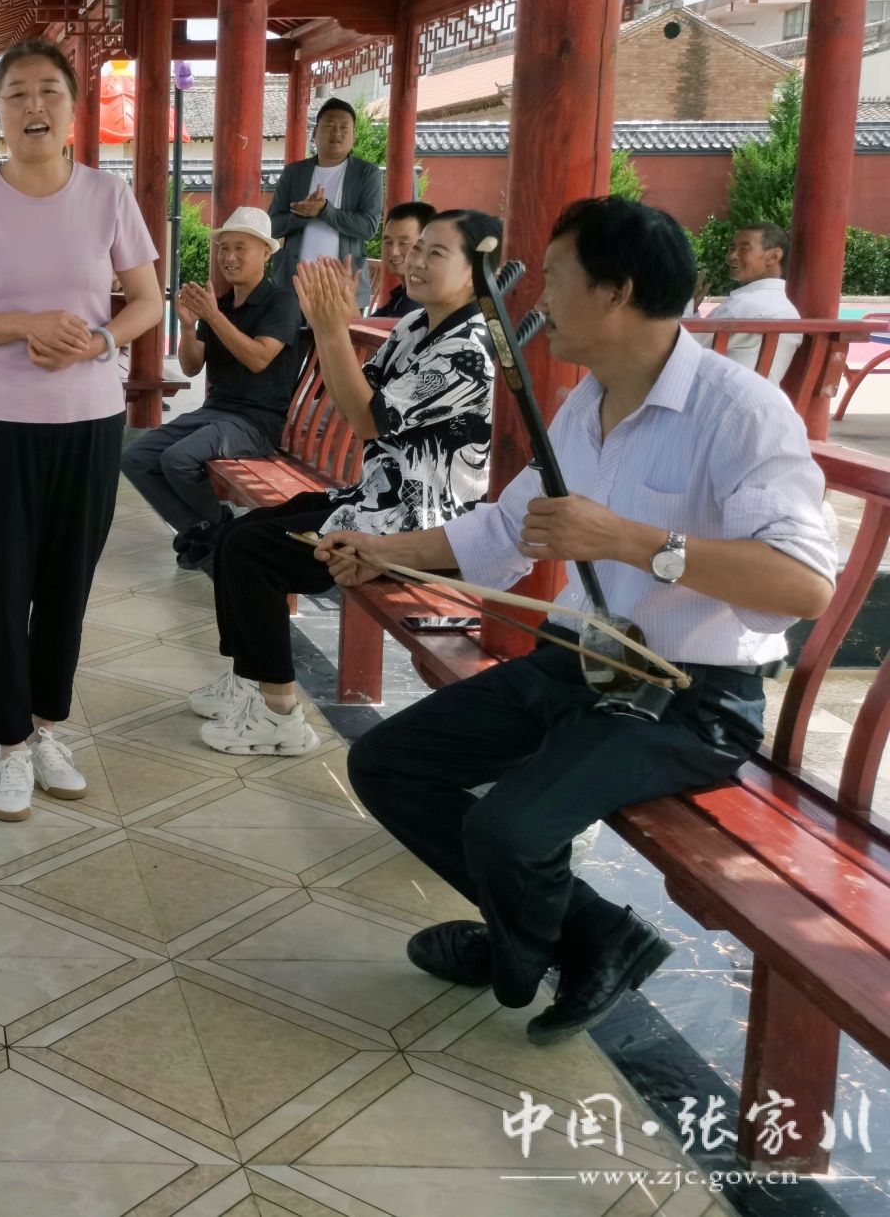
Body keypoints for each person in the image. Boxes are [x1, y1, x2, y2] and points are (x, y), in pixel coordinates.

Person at [319, 197, 836, 1044]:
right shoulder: (581, 402)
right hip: (576, 662)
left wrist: (630, 541)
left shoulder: (739, 410)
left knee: (509, 828)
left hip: (685, 698)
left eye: (555, 277)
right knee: (387, 764)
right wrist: (385, 551)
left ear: (615, 291)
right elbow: (504, 529)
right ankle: (583, 934)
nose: (540, 299)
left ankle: (525, 946)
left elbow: (805, 584)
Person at [0, 40, 163, 824]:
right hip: (0, 425)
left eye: (49, 91)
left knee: (67, 587)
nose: (34, 106)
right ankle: (9, 746)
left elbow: (147, 302)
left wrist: (98, 341)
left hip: (90, 421)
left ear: (72, 108)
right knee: (1, 589)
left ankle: (47, 729)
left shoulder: (108, 196)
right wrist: (25, 324)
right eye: (17, 93)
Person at [190, 208, 500, 758]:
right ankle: (249, 679)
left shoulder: (470, 350)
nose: (415, 261)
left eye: (434, 253)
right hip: (375, 499)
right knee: (239, 532)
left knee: (252, 552)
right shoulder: (415, 326)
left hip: (419, 524)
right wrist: (330, 327)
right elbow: (353, 393)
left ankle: (279, 714)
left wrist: (332, 329)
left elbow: (367, 420)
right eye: (416, 248)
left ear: (478, 272)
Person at [121, 206, 302, 552]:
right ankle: (213, 528)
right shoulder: (219, 305)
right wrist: (188, 327)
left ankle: (212, 532)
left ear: (265, 253)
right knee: (135, 457)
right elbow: (191, 367)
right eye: (224, 248)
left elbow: (259, 359)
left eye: (240, 248)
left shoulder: (281, 302)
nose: (229, 257)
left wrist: (214, 318)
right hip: (214, 412)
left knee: (177, 459)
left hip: (255, 422)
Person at [267, 97, 384, 295]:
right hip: (294, 284)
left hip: (343, 287)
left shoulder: (367, 174)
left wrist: (324, 210)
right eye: (329, 126)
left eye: (344, 127)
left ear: (353, 136)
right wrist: (301, 215)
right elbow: (272, 226)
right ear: (315, 133)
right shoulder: (294, 172)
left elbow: (368, 227)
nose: (336, 133)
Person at [706, 222, 801, 382]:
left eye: (744, 249)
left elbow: (681, 350)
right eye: (731, 248)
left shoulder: (739, 307)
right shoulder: (788, 309)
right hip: (766, 394)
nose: (732, 256)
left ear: (774, 256)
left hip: (721, 395)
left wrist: (685, 306)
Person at [370, 201, 438, 318]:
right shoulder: (404, 293)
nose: (393, 252)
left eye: (403, 243)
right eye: (388, 242)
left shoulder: (419, 301)